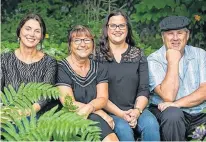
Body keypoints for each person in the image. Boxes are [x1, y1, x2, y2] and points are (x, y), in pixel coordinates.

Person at [97, 10, 160, 141]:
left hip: (135, 109)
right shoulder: (96, 56)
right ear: (107, 29)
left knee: (151, 125)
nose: (117, 29)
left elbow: (144, 89)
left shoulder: (137, 54)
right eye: (113, 25)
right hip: (109, 111)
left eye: (122, 25)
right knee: (123, 129)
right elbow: (96, 93)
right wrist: (121, 114)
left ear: (127, 28)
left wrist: (137, 111)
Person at [55, 25, 119, 141]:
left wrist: (90, 108)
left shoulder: (99, 68)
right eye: (77, 40)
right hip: (69, 117)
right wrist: (100, 112)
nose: (83, 44)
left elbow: (103, 98)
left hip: (92, 114)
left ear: (93, 44)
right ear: (70, 45)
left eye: (87, 40)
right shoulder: (61, 67)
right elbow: (68, 102)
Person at [148, 16, 206, 141]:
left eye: (179, 33)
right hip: (168, 115)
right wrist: (173, 60)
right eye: (170, 34)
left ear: (187, 35)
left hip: (198, 115)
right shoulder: (154, 59)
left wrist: (176, 104)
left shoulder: (200, 54)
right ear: (163, 37)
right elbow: (168, 96)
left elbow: (204, 90)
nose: (175, 38)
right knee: (173, 114)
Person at [0, 13, 57, 115]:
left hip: (36, 117)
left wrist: (26, 112)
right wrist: (7, 114)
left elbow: (46, 95)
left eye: (37, 31)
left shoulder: (50, 62)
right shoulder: (4, 60)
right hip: (8, 115)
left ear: (41, 36)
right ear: (19, 31)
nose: (32, 34)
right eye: (28, 29)